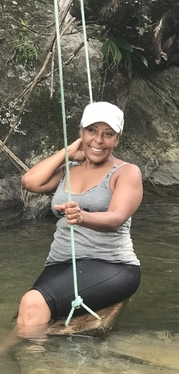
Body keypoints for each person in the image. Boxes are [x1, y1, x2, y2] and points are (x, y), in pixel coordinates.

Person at [14, 100, 143, 339]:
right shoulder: (69, 170)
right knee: (28, 311)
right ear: (81, 132)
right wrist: (68, 152)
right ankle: (3, 353)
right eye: (91, 131)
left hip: (112, 265)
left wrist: (82, 216)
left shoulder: (126, 172)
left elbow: (116, 218)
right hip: (63, 262)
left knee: (33, 302)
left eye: (108, 134)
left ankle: (37, 369)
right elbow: (30, 182)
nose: (98, 140)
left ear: (117, 139)